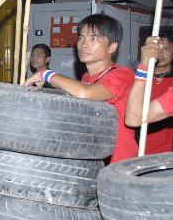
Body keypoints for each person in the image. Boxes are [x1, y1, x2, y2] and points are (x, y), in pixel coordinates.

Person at [25, 13, 136, 164]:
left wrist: (45, 74)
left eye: (94, 38)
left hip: (119, 164)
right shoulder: (85, 78)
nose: (84, 44)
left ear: (112, 46)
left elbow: (85, 94)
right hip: (95, 160)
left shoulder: (122, 75)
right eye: (81, 37)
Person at [126, 36, 173, 151]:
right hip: (144, 151)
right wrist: (144, 66)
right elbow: (133, 117)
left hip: (171, 156)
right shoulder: (138, 80)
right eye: (157, 47)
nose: (159, 52)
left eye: (165, 49)